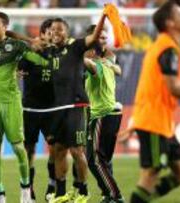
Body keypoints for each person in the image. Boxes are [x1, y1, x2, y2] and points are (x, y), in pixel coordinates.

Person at [119, 2, 180, 203]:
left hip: (161, 121)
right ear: (170, 23)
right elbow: (174, 87)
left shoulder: (164, 47)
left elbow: (147, 88)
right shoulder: (167, 49)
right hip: (153, 121)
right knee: (151, 173)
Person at [0, 11, 52, 203]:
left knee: (19, 148)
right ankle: (0, 194)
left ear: (5, 27)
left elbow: (39, 60)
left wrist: (46, 52)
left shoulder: (17, 46)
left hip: (11, 103)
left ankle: (25, 190)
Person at [47, 13, 106, 203]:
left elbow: (94, 37)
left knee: (77, 151)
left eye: (59, 29)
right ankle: (61, 193)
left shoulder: (75, 47)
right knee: (58, 149)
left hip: (77, 105)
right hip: (58, 108)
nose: (55, 32)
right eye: (53, 30)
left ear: (67, 32)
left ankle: (83, 191)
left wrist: (104, 17)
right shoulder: (51, 52)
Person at [84, 24, 124, 203]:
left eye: (104, 38)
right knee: (104, 160)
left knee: (94, 160)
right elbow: (118, 69)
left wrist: (74, 54)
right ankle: (108, 195)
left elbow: (91, 66)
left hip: (103, 114)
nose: (104, 40)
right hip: (111, 113)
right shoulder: (107, 59)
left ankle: (115, 195)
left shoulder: (97, 62)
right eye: (100, 37)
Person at [19, 18, 56, 202]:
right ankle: (29, 189)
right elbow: (17, 70)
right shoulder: (29, 53)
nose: (52, 34)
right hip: (30, 109)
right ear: (41, 34)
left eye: (55, 31)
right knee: (29, 150)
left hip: (52, 109)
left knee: (55, 149)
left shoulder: (59, 53)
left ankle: (51, 186)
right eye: (49, 31)